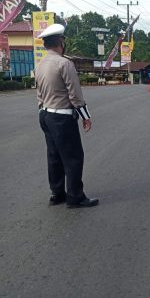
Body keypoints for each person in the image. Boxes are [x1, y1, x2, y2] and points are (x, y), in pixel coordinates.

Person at [35, 24, 99, 208]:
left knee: (54, 156)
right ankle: (75, 197)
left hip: (45, 114)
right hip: (62, 117)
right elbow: (75, 95)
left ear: (46, 45)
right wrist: (85, 116)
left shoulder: (40, 65)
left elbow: (39, 95)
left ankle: (57, 194)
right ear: (61, 42)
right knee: (73, 157)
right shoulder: (64, 63)